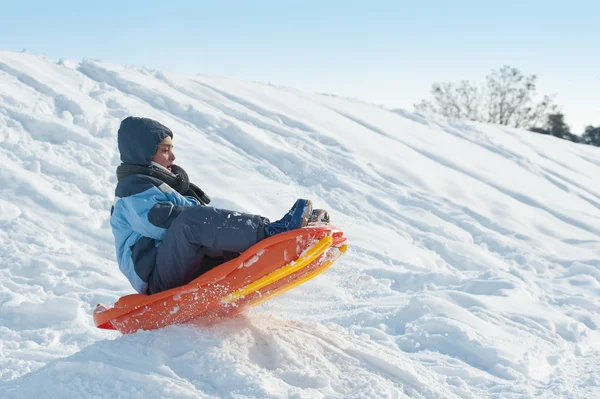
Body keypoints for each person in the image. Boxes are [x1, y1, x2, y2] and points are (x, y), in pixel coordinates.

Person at [110, 116, 328, 295]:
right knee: (189, 221)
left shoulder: (165, 187)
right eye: (165, 150)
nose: (173, 157)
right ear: (144, 154)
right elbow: (161, 225)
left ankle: (282, 241)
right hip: (157, 277)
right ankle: (272, 235)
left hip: (187, 264)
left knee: (204, 225)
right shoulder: (132, 190)